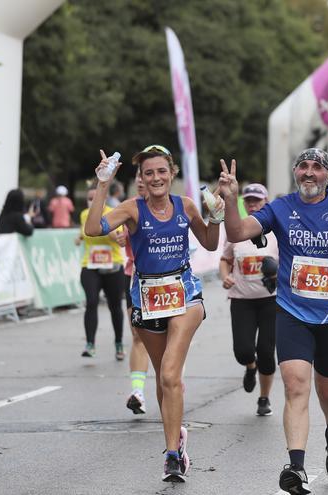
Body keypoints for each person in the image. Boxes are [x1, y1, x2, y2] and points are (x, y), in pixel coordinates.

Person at [218, 148, 328, 495]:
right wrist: (231, 199)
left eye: (318, 167)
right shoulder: (282, 207)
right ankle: (296, 467)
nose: (310, 172)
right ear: (296, 172)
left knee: (327, 391)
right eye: (303, 166)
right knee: (296, 385)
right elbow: (239, 231)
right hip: (291, 311)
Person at [84, 145, 222, 483]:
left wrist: (217, 215)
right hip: (147, 296)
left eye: (162, 171)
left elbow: (208, 242)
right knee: (164, 378)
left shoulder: (185, 205)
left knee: (171, 373)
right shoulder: (132, 209)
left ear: (172, 173)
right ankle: (177, 439)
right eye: (149, 173)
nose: (156, 178)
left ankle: (172, 456)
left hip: (185, 293)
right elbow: (92, 229)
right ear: (141, 179)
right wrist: (103, 184)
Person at [219, 182, 280, 416]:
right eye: (249, 200)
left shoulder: (276, 232)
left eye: (258, 200)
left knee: (266, 351)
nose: (253, 204)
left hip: (270, 300)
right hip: (241, 300)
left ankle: (264, 398)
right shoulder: (237, 231)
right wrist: (226, 277)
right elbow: (225, 260)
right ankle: (250, 366)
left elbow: (290, 263)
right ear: (244, 204)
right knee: (243, 351)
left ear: (266, 202)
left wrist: (275, 273)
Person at [76, 183, 127, 359]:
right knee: (91, 302)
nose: (91, 202)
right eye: (89, 199)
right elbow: (86, 232)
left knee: (115, 306)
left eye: (94, 198)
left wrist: (106, 229)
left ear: (102, 199)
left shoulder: (113, 213)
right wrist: (79, 237)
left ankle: (119, 343)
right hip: (90, 265)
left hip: (113, 265)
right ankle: (90, 344)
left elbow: (118, 237)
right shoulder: (84, 214)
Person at [124, 170, 150, 414]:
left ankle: (173, 382)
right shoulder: (129, 208)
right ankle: (138, 392)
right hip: (135, 279)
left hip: (169, 282)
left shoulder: (175, 207)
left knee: (170, 340)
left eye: (150, 174)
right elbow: (114, 234)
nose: (143, 180)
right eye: (140, 176)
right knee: (138, 335)